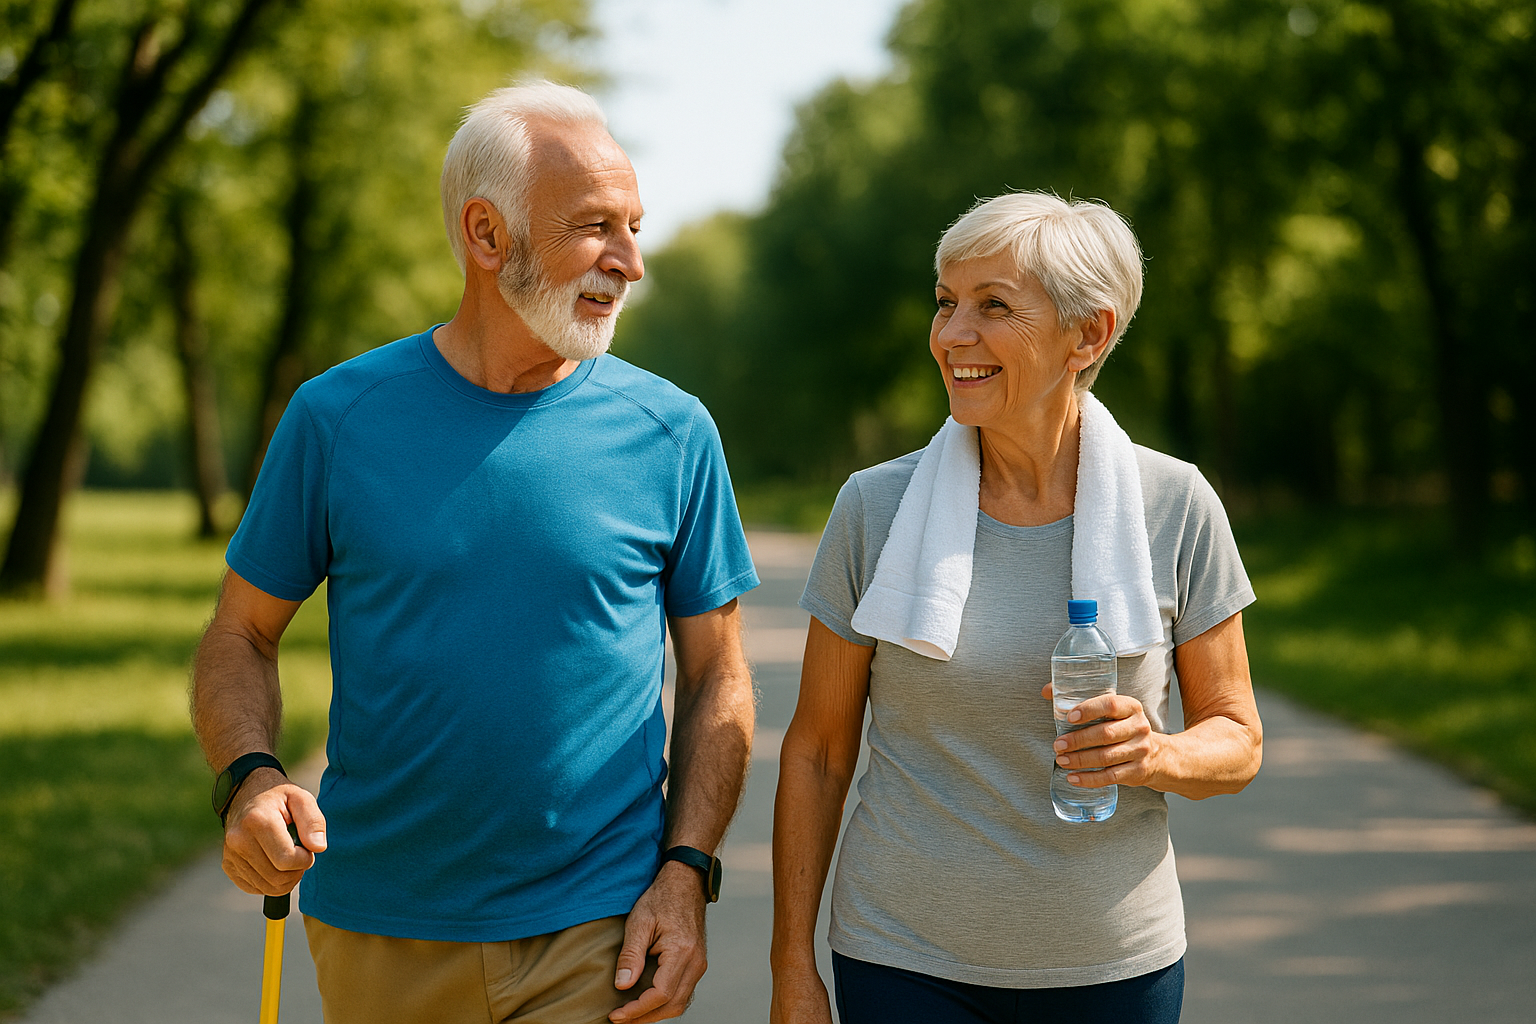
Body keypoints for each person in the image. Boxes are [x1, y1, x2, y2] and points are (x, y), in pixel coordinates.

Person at [191, 81, 760, 1024]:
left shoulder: (672, 432)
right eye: (594, 228)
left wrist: (685, 872)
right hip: (380, 927)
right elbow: (239, 635)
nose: (631, 261)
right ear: (487, 236)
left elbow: (719, 677)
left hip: (597, 929)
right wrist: (249, 778)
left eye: (634, 225)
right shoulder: (336, 418)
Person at [769, 191, 1263, 1024]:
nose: (952, 334)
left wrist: (1156, 753)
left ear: (1089, 333)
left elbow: (1238, 739)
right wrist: (792, 970)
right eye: (945, 302)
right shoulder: (873, 510)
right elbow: (817, 752)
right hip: (901, 957)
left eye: (992, 306)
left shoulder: (1175, 504)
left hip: (1114, 963)